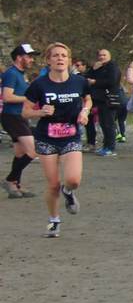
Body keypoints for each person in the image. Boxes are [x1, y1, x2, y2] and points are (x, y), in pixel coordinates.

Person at [23, 43, 90, 237]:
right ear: (48, 60)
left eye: (63, 55)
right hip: (47, 138)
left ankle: (68, 192)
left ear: (69, 60)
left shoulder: (79, 81)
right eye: (55, 55)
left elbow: (88, 99)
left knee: (73, 180)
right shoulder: (39, 84)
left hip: (71, 136)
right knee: (53, 185)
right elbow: (25, 111)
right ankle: (54, 221)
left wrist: (85, 112)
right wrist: (40, 112)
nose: (60, 58)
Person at [3, 44, 39, 198]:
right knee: (32, 151)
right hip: (12, 116)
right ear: (19, 57)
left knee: (20, 153)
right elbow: (7, 97)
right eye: (29, 56)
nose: (32, 60)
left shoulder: (21, 74)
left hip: (20, 116)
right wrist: (28, 98)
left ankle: (15, 185)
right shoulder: (11, 73)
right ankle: (9, 180)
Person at [83, 48, 122, 157]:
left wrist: (95, 82)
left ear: (109, 56)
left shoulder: (112, 67)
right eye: (100, 55)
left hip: (109, 99)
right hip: (100, 99)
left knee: (109, 124)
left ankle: (111, 147)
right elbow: (86, 77)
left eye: (104, 55)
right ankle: (106, 146)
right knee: (103, 123)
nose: (102, 57)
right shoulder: (99, 67)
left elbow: (112, 81)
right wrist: (93, 69)